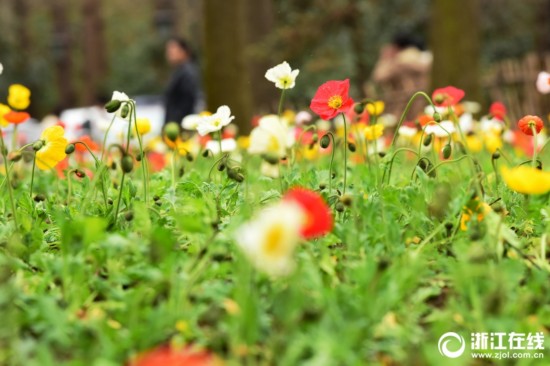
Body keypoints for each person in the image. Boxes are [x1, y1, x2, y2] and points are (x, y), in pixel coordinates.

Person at [164, 37, 204, 125]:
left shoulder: (188, 72)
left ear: (185, 51)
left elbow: (190, 101)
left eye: (173, 50)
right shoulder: (179, 71)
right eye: (168, 51)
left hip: (182, 126)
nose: (169, 54)